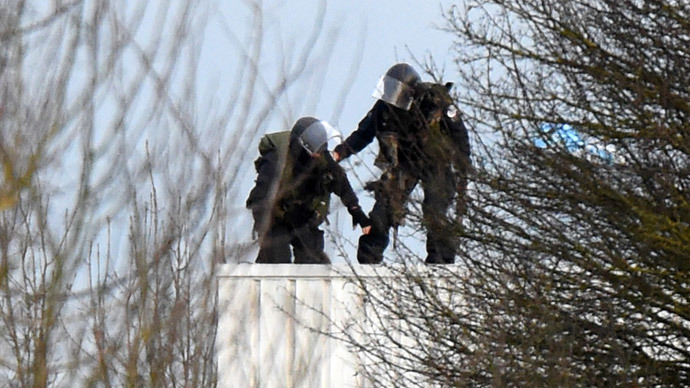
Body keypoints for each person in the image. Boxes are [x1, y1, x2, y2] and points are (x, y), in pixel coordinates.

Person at [333, 63, 472, 264]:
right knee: (382, 212)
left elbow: (459, 134)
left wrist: (463, 167)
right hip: (403, 165)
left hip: (437, 163)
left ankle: (440, 261)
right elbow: (364, 134)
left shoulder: (436, 101)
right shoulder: (384, 107)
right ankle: (369, 260)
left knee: (435, 210)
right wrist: (340, 153)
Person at [246, 117, 372, 264]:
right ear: (300, 145)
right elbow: (260, 198)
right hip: (276, 219)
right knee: (278, 259)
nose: (317, 156)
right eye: (314, 152)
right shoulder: (276, 160)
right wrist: (265, 230)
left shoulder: (322, 158)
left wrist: (356, 211)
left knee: (312, 261)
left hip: (303, 217)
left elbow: (341, 183)